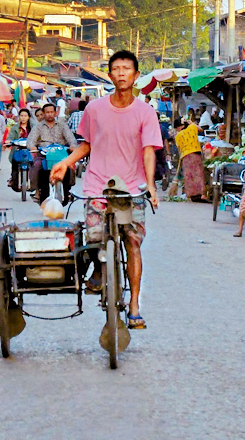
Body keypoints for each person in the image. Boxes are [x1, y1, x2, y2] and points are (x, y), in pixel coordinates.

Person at [50, 49, 161, 330]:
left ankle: (134, 305)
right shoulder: (94, 109)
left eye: (127, 69)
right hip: (98, 183)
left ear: (135, 76)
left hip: (131, 186)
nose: (122, 73)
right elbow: (85, 145)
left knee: (133, 242)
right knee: (96, 235)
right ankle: (101, 269)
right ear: (110, 74)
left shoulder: (146, 112)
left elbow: (149, 151)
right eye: (117, 68)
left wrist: (150, 185)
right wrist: (65, 162)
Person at [27, 102, 78, 203]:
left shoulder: (62, 125)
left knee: (71, 167)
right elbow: (31, 140)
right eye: (47, 112)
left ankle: (68, 190)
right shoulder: (38, 127)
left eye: (51, 112)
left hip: (61, 153)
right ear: (44, 113)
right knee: (36, 166)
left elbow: (71, 138)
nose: (50, 114)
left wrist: (73, 146)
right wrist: (32, 146)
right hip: (44, 155)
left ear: (55, 113)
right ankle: (37, 191)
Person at [174, 117, 205, 201]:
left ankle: (191, 194)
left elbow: (179, 148)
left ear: (178, 127)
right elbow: (200, 129)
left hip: (186, 156)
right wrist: (191, 122)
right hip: (196, 154)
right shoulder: (192, 127)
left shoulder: (178, 136)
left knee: (189, 175)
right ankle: (200, 193)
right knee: (198, 174)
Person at [5, 108, 33, 190]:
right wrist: (8, 141)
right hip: (17, 150)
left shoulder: (33, 127)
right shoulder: (15, 127)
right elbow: (10, 137)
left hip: (30, 150)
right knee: (14, 163)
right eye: (21, 116)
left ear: (28, 117)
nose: (23, 118)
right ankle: (14, 180)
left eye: (25, 116)